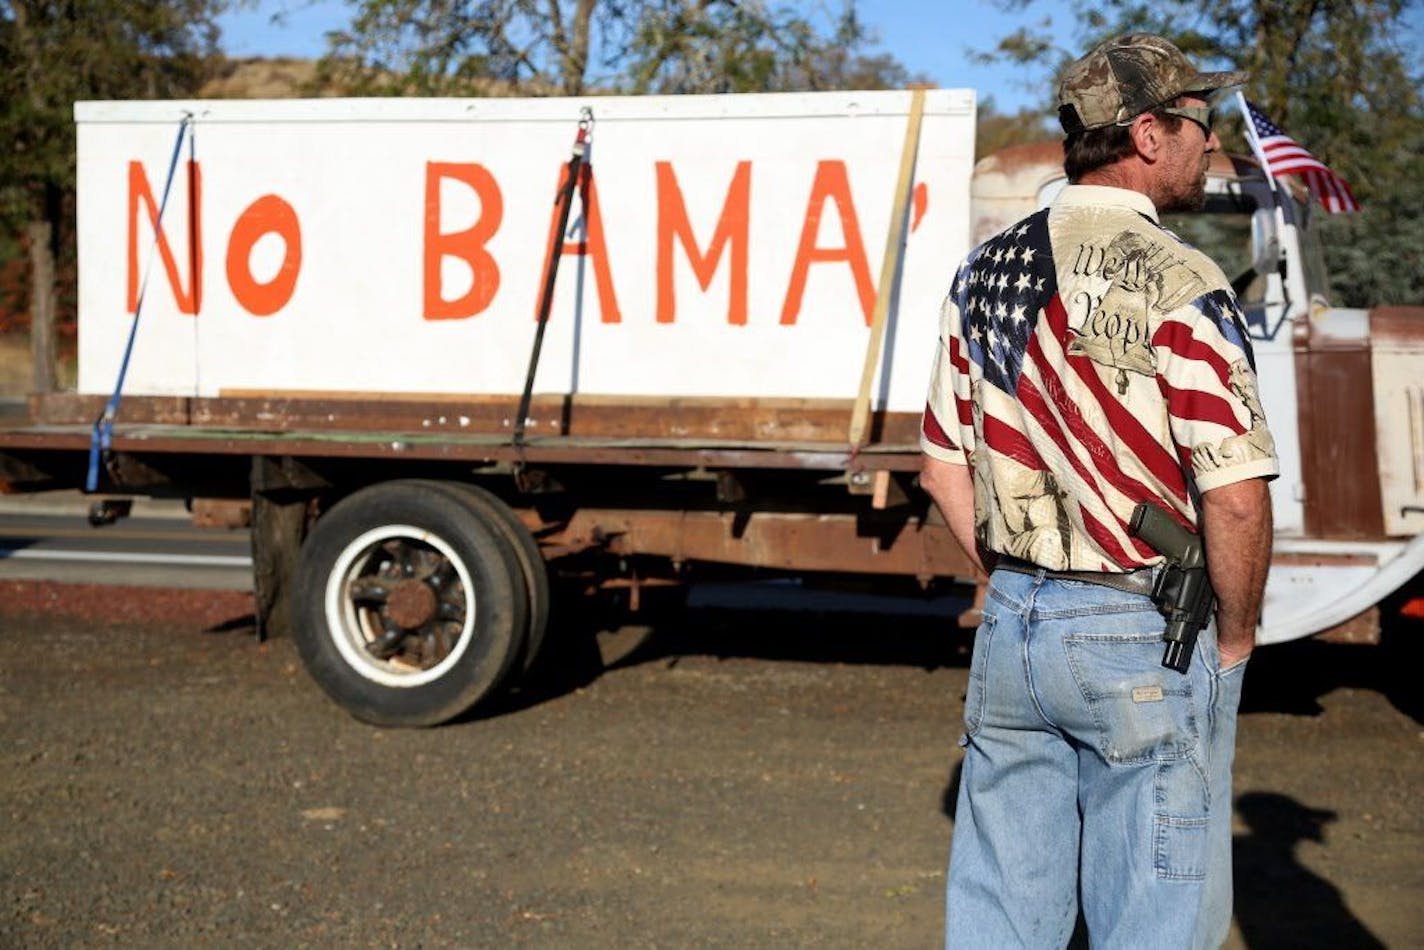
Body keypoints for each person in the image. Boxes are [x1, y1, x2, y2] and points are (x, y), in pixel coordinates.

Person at [919, 33, 1277, 949]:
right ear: (1149, 134)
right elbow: (1233, 494)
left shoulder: (982, 271)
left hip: (1013, 629)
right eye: (1200, 122)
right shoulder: (1183, 281)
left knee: (1002, 914)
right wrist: (1235, 638)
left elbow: (940, 464)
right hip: (1139, 634)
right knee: (1153, 916)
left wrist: (1013, 584)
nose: (1210, 143)